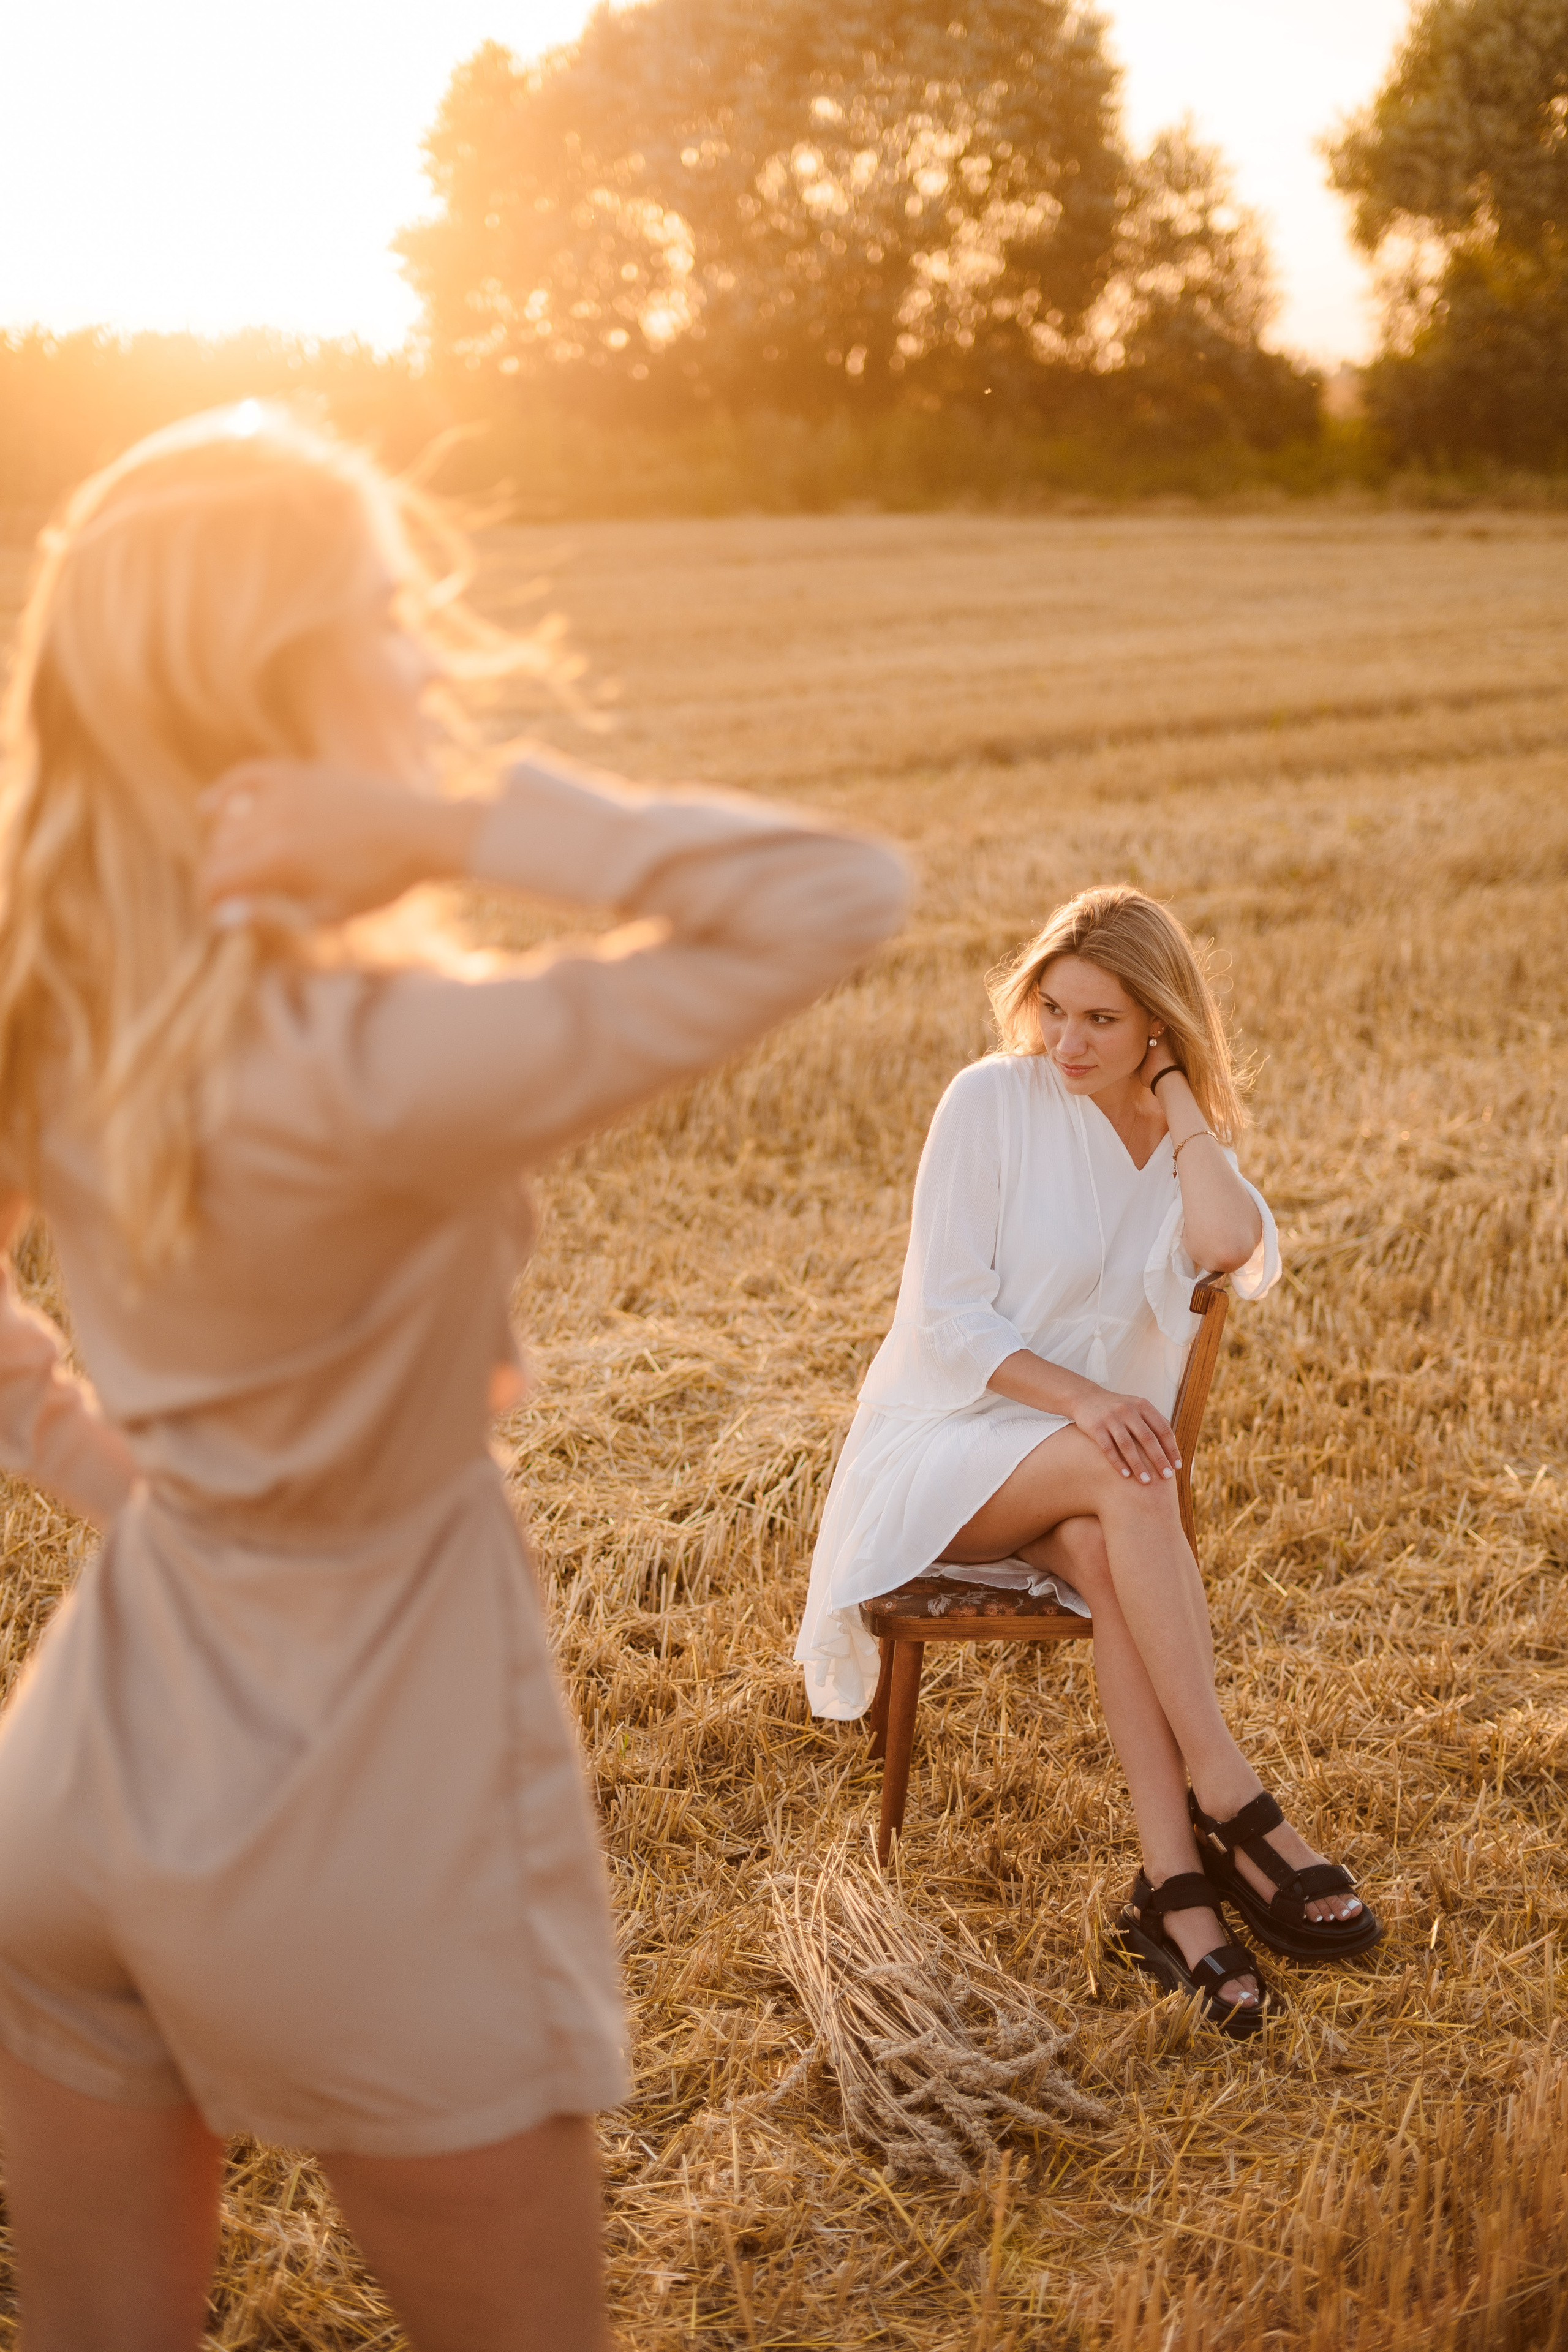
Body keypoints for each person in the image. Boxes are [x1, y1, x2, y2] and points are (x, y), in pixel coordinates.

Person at [0, 403, 908, 2352]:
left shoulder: (63, 996)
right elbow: (838, 893)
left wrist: (77, 1441)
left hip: (72, 1786)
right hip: (354, 1806)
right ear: (276, 691)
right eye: (387, 619)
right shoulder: (376, 1065)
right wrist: (455, 826)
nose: (425, 664)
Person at [794, 888, 1379, 2038]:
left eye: (1103, 1020)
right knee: (1134, 1471)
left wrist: (1180, 1098)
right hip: (943, 1451)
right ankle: (1235, 1797)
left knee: (1116, 1541)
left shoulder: (1180, 1141)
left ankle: (1173, 1890)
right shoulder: (989, 1103)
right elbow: (947, 1320)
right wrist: (1088, 1400)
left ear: (1160, 1021)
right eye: (1053, 1009)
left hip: (1084, 1474)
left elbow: (1228, 1244)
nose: (1067, 1042)